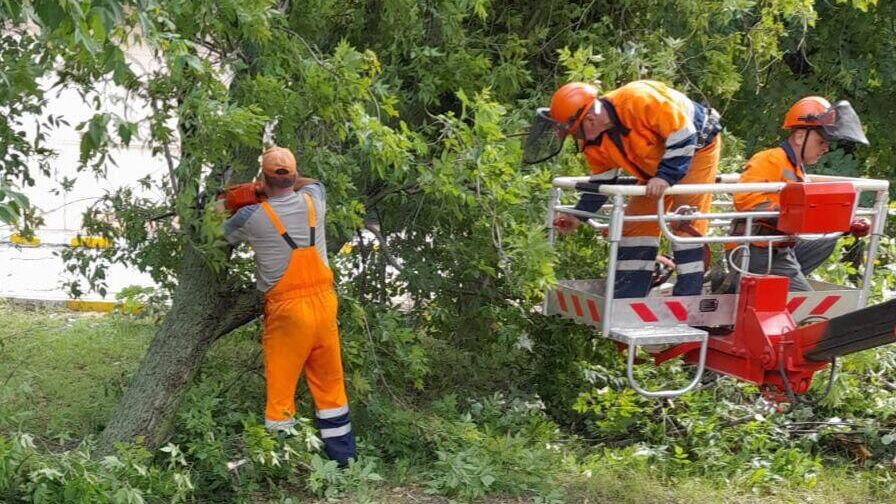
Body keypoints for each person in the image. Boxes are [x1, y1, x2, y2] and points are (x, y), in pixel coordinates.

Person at [222, 146, 355, 466]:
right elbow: (315, 182)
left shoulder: (250, 217)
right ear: (294, 177)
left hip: (287, 315)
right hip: (324, 308)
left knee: (280, 396)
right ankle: (344, 464)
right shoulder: (315, 202)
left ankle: (281, 463)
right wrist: (275, 185)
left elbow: (214, 237)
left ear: (263, 179)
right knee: (332, 390)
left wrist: (248, 194)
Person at [527, 80, 722, 298]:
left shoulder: (637, 100)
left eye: (575, 133)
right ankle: (629, 296)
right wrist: (577, 215)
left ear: (590, 120)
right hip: (656, 167)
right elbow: (603, 182)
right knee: (634, 225)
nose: (577, 139)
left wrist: (665, 177)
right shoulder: (594, 142)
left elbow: (683, 135)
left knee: (686, 221)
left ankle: (687, 301)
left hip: (697, 149)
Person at [725, 96, 870, 292]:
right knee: (800, 305)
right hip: (754, 249)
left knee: (826, 241)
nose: (825, 148)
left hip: (778, 248)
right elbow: (745, 199)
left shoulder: (798, 170)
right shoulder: (770, 159)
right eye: (821, 141)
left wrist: (844, 222)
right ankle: (743, 287)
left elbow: (809, 210)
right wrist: (787, 215)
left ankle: (774, 284)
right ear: (801, 136)